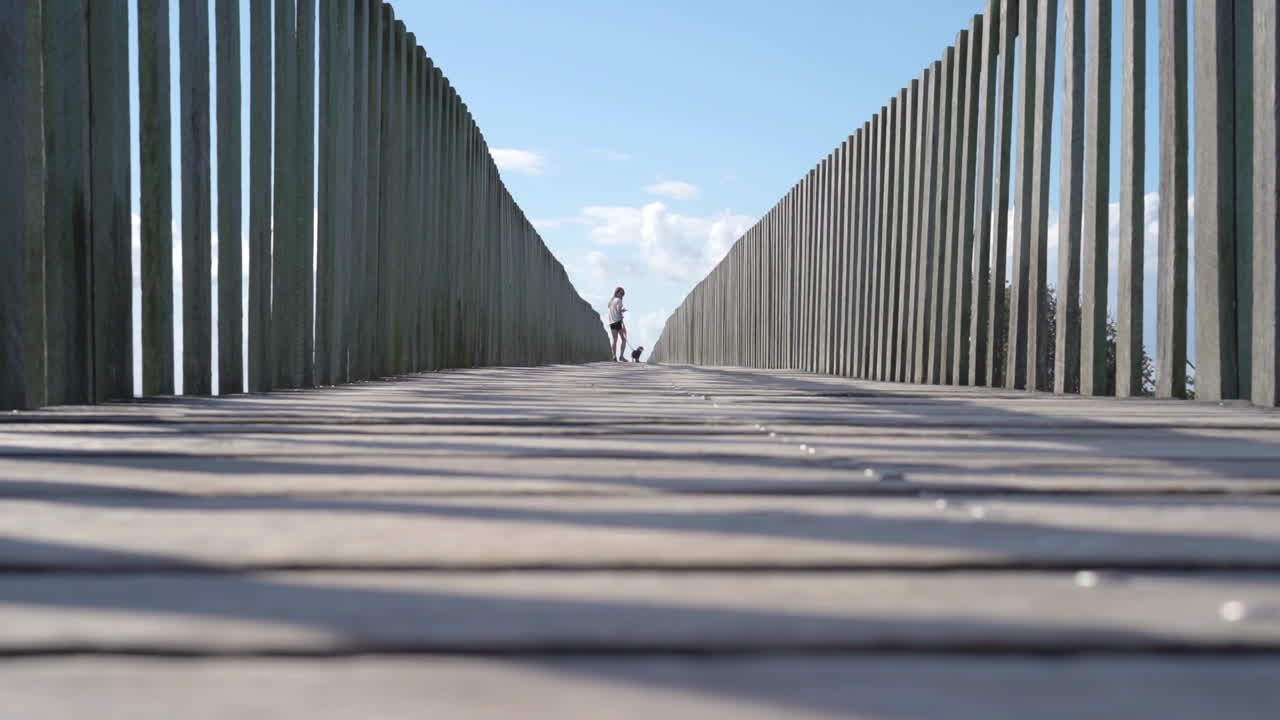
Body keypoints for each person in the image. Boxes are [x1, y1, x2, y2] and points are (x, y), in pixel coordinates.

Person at [608, 287, 628, 361]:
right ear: (617, 293)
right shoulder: (619, 300)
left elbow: (611, 308)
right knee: (624, 339)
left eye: (623, 294)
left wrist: (619, 311)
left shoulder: (611, 301)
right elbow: (618, 309)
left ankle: (614, 356)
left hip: (611, 322)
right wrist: (622, 311)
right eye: (621, 293)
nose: (622, 295)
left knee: (614, 339)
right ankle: (621, 356)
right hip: (618, 321)